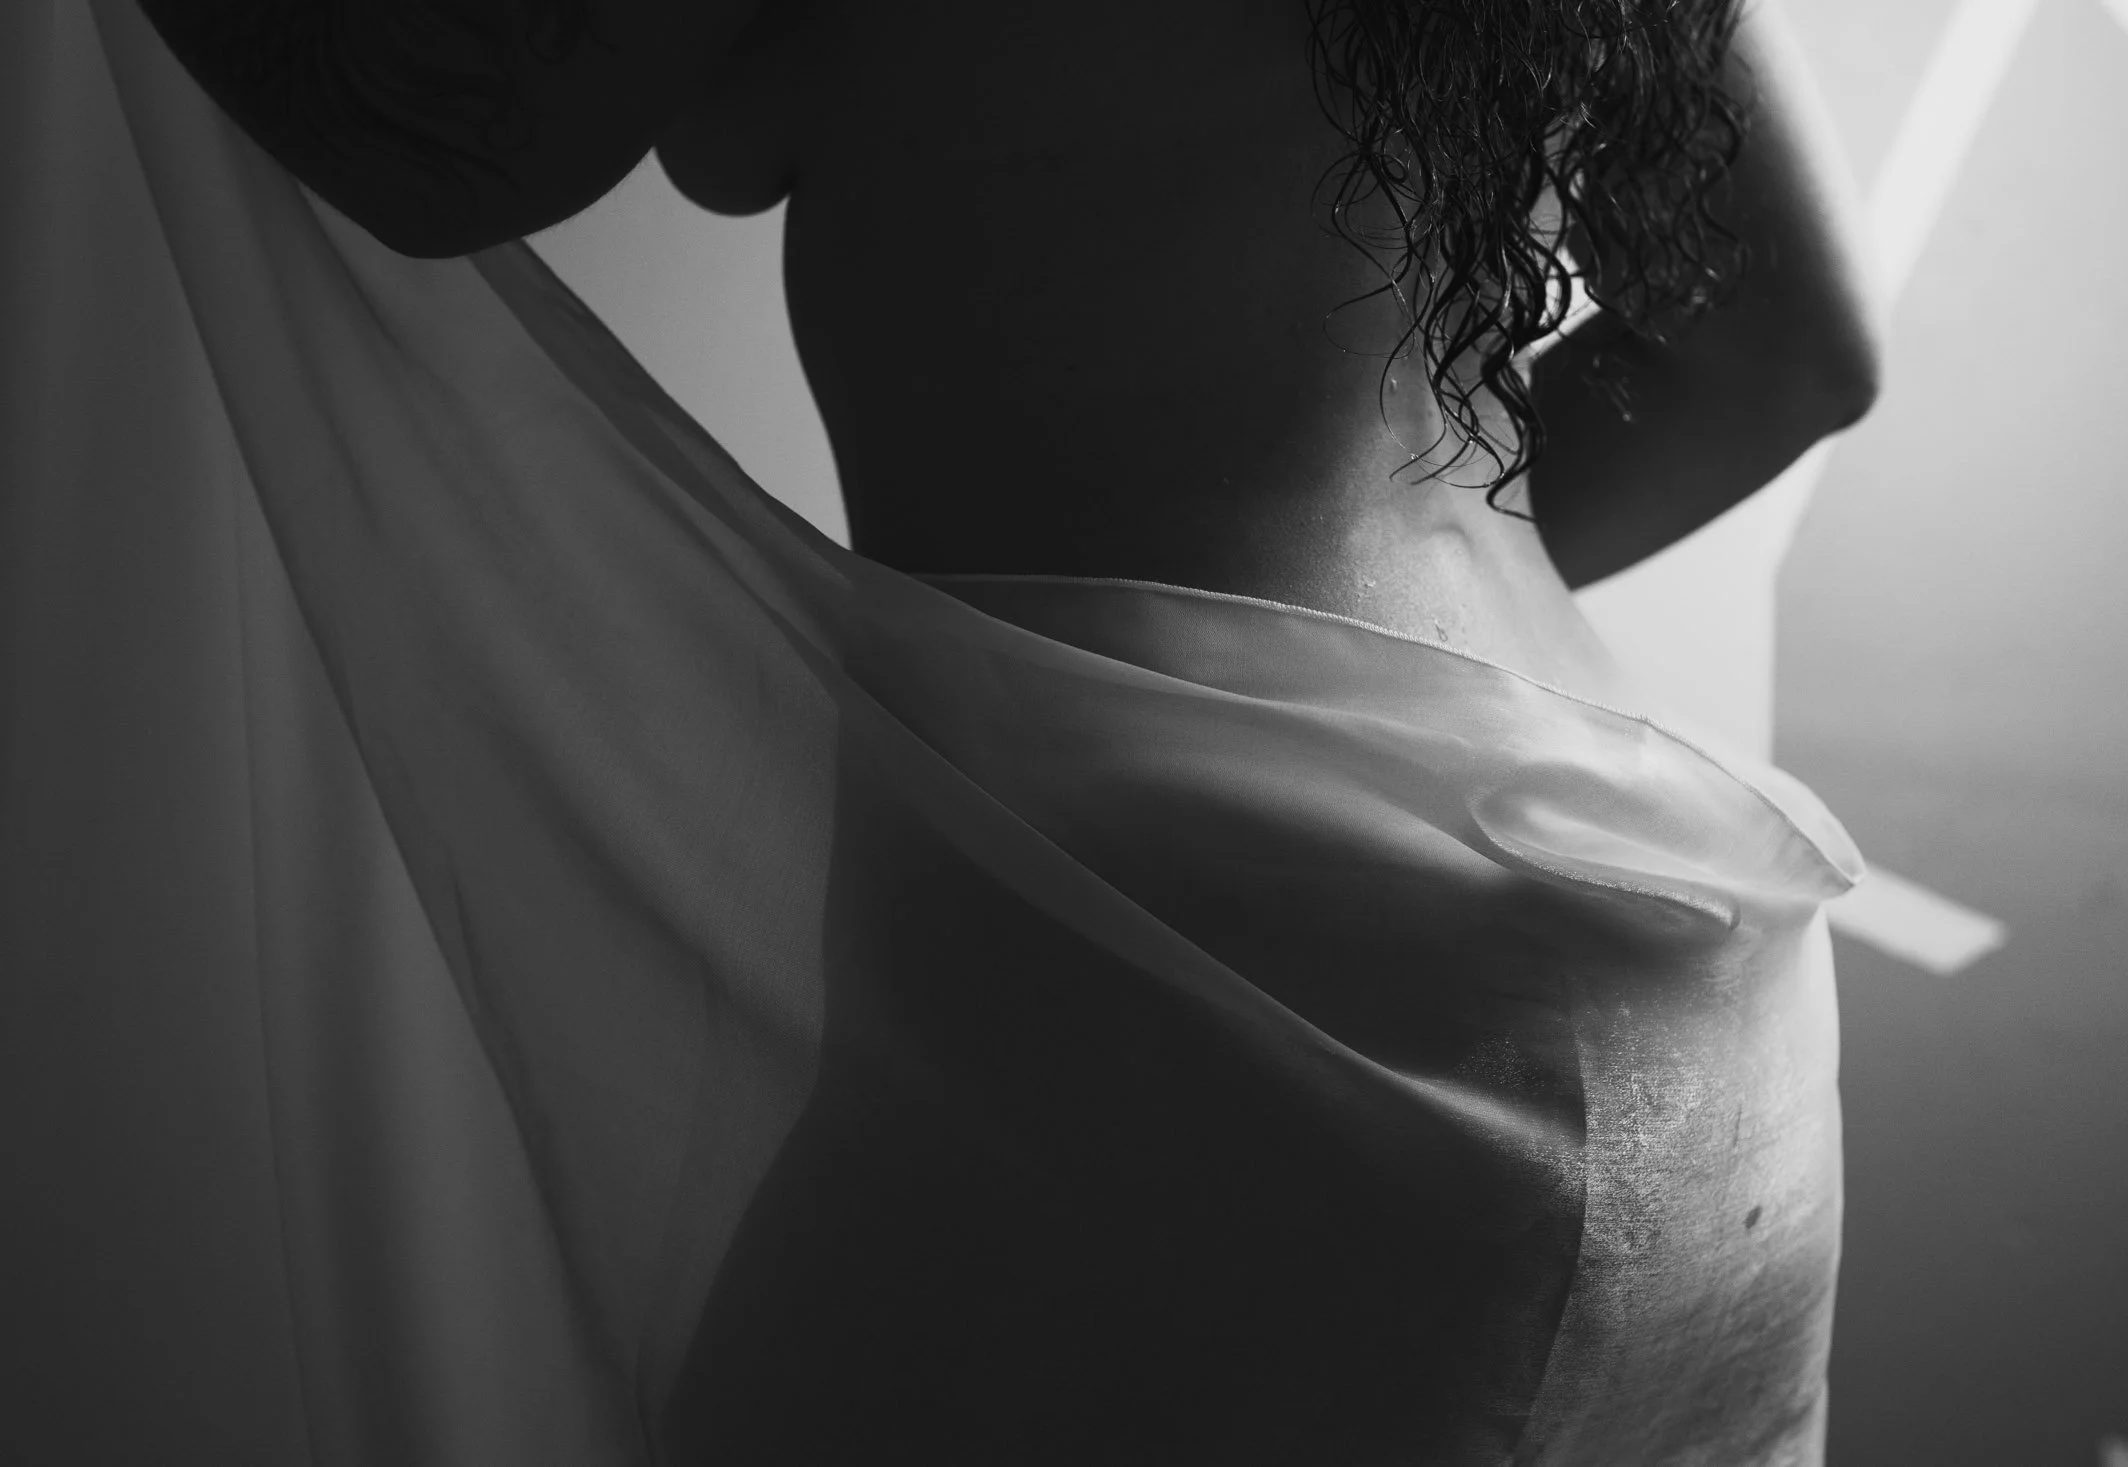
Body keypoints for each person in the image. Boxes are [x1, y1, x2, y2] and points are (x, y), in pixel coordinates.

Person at [91, 0, 1880, 1461]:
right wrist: (1369, 693)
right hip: (1679, 975)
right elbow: (1790, 355)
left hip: (1228, 1016)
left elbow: (443, 131)